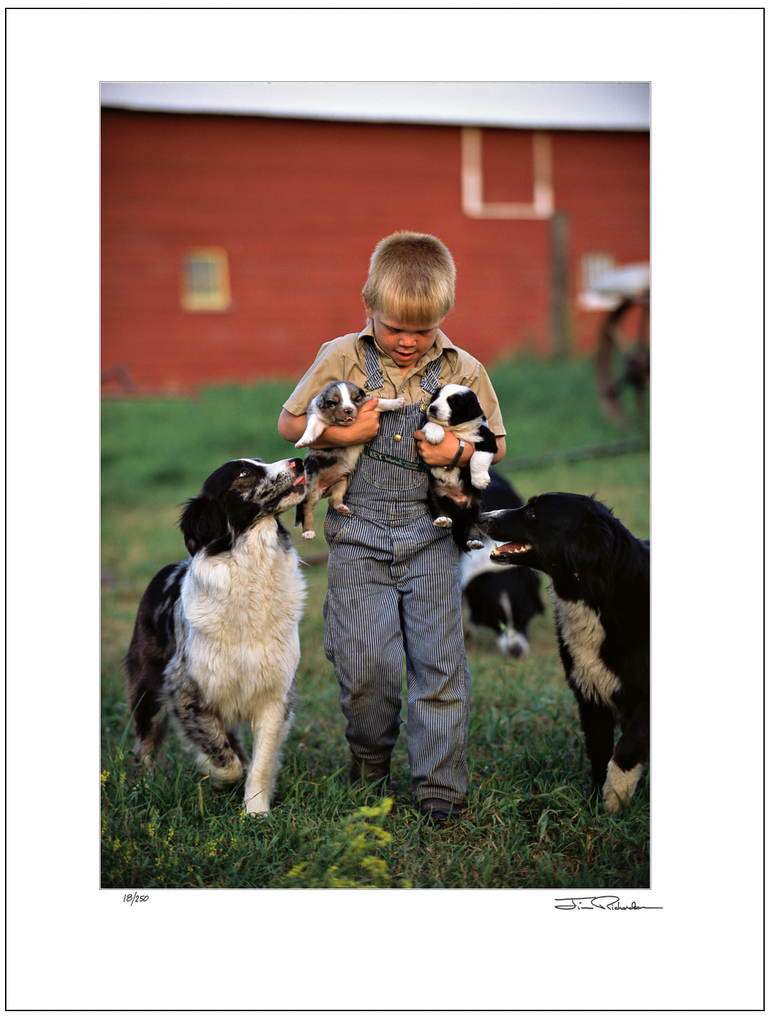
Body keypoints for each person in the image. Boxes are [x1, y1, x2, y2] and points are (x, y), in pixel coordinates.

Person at [278, 231, 506, 823]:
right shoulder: (341, 356)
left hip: (429, 536)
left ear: (443, 318)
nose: (407, 342)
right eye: (393, 328)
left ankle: (439, 790)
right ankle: (369, 759)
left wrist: (454, 449)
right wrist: (345, 435)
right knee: (364, 663)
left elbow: (495, 447)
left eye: (422, 331)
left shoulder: (464, 369)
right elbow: (289, 423)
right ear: (368, 308)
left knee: (439, 666)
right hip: (357, 537)